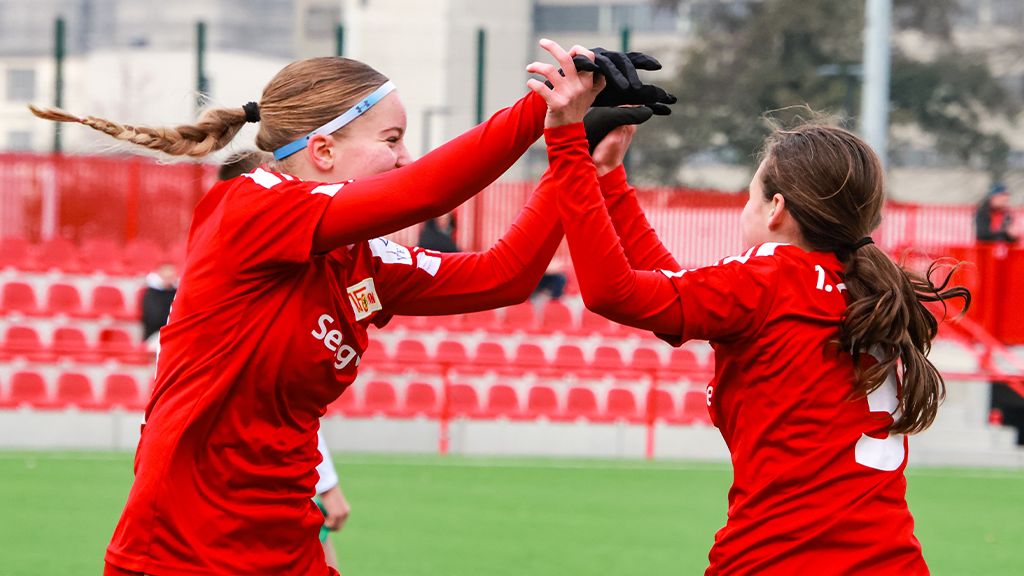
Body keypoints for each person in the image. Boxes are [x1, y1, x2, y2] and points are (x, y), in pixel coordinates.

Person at [31, 41, 671, 576]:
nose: (404, 157)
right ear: (324, 151)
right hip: (179, 553)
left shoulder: (363, 258)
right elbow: (427, 189)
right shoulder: (252, 205)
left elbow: (505, 277)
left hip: (288, 548)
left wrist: (570, 157)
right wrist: (541, 111)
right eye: (391, 138)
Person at [548, 114, 970, 574]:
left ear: (775, 209)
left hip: (778, 560)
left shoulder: (769, 278)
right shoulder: (866, 287)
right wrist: (608, 178)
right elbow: (677, 285)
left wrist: (568, 148)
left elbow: (614, 291)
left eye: (748, 197)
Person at [140, 261, 177, 342]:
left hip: (174, 333)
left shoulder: (177, 293)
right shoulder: (152, 293)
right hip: (155, 334)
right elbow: (154, 318)